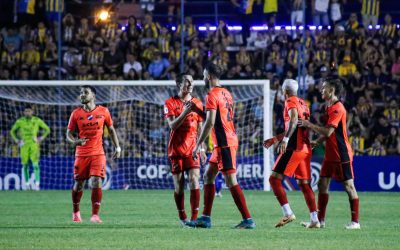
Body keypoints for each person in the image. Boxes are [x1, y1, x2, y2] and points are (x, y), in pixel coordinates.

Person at [189, 63, 255, 229]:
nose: (203, 78)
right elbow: (215, 117)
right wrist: (198, 111)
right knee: (208, 176)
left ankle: (248, 219)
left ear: (209, 76)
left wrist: (197, 145)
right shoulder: (226, 93)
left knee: (231, 180)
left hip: (224, 143)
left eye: (204, 75)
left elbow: (211, 122)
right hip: (223, 142)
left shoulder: (212, 94)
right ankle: (205, 218)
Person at [298, 78, 360, 229]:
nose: (321, 90)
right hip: (330, 154)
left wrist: (308, 124)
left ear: (332, 90)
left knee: (349, 187)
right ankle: (320, 221)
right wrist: (318, 142)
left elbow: (328, 131)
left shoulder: (338, 108)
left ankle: (355, 222)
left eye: (324, 88)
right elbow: (328, 134)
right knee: (322, 184)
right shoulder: (329, 106)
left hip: (341, 154)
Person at [263, 79, 319, 228]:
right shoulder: (304, 104)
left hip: (294, 148)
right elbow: (299, 127)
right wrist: (276, 139)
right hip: (305, 149)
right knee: (305, 185)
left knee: (274, 179)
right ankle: (315, 220)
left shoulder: (290, 102)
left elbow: (294, 120)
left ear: (284, 92)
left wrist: (285, 140)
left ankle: (287, 213)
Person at [66, 86, 121, 223]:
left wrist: (118, 147)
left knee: (97, 180)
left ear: (93, 96)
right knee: (79, 184)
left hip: (98, 153)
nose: (82, 95)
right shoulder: (76, 114)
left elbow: (111, 129)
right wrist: (75, 141)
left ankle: (95, 215)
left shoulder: (104, 111)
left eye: (85, 93)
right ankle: (76, 212)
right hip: (82, 154)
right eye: (81, 93)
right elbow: (68, 134)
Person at [164, 73, 205, 226]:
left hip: (192, 149)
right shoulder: (170, 102)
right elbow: (172, 125)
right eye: (187, 82)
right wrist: (185, 112)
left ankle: (194, 218)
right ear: (179, 84)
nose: (190, 84)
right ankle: (182, 216)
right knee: (179, 185)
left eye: (192, 81)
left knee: (195, 179)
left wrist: (200, 148)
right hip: (176, 150)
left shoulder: (198, 103)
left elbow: (201, 127)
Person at [10, 105, 50, 190]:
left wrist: (41, 138)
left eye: (29, 111)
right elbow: (12, 131)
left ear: (32, 112)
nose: (28, 113)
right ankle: (27, 184)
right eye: (26, 111)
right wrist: (17, 140)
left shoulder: (37, 120)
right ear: (24, 112)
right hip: (24, 145)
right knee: (25, 165)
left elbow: (47, 129)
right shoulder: (20, 121)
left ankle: (37, 184)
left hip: (34, 145)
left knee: (35, 165)